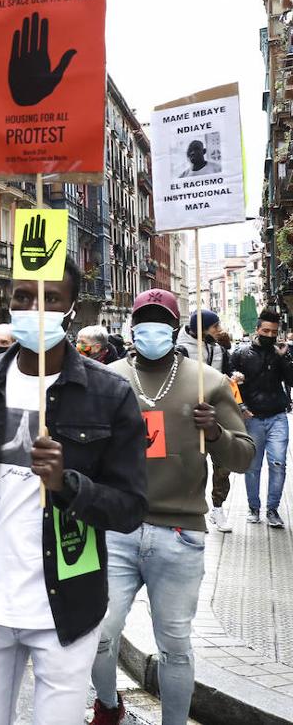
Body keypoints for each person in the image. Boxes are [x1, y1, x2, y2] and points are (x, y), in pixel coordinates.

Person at [0, 257, 148, 725]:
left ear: (71, 308)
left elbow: (129, 509)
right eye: (24, 296)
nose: (33, 308)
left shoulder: (109, 394)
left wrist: (67, 484)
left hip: (67, 608)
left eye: (50, 299)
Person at [90, 289, 254, 725]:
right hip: (117, 528)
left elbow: (243, 457)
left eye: (160, 322)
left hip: (180, 533)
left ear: (176, 328)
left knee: (175, 645)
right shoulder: (107, 377)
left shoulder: (209, 382)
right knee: (99, 635)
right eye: (142, 321)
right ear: (130, 328)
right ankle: (108, 706)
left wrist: (216, 433)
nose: (150, 330)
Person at [230, 309, 293, 527]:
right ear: (257, 329)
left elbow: (291, 381)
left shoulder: (280, 353)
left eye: (274, 332)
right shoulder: (240, 353)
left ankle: (273, 510)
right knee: (253, 466)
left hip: (277, 416)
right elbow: (229, 385)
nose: (269, 335)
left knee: (278, 463)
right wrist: (241, 407)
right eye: (265, 330)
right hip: (252, 418)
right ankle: (254, 508)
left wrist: (285, 357)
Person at [176, 309, 237, 531]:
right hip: (190, 416)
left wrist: (233, 377)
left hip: (217, 414)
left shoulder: (219, 348)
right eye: (214, 327)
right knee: (193, 464)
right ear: (202, 329)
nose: (219, 330)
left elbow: (228, 372)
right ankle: (192, 508)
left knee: (223, 465)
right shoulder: (180, 349)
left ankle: (218, 509)